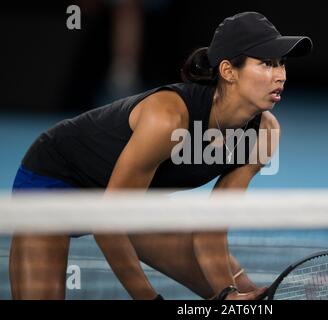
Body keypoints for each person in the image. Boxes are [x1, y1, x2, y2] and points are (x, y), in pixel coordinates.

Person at [9, 11, 312, 300]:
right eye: (267, 64)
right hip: (55, 183)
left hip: (128, 200)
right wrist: (148, 298)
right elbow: (107, 222)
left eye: (281, 64)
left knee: (244, 295)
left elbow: (211, 231)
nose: (280, 75)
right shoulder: (168, 118)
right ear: (228, 71)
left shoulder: (263, 134)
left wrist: (227, 294)